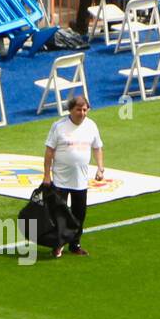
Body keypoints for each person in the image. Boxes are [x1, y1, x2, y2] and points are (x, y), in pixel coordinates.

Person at [43, 94, 104, 258]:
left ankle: (75, 244)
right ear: (70, 109)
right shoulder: (59, 126)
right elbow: (49, 151)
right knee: (59, 214)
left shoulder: (91, 126)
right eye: (79, 109)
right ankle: (58, 244)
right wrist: (46, 175)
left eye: (85, 109)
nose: (82, 113)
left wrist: (100, 168)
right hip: (61, 178)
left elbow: (97, 147)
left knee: (79, 214)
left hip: (81, 180)